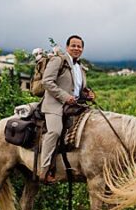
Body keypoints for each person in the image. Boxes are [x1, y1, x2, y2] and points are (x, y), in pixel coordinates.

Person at [37, 34, 95, 182]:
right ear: (67, 47)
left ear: (82, 49)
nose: (76, 48)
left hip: (73, 105)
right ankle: (43, 170)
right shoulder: (58, 60)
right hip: (55, 105)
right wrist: (64, 97)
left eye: (79, 46)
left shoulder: (80, 67)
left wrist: (86, 94)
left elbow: (76, 89)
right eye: (73, 45)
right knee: (55, 132)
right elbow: (47, 82)